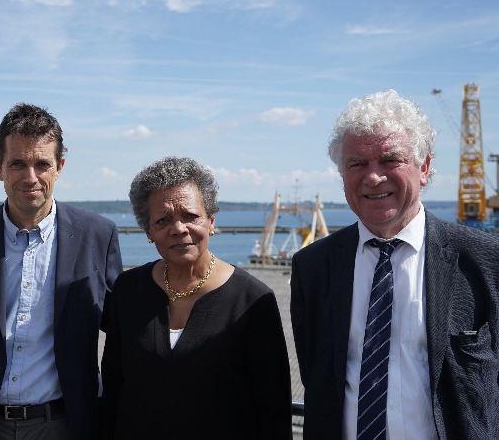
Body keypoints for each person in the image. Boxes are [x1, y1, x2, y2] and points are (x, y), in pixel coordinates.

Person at [291, 89, 499, 439]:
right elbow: (317, 375)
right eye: (357, 163)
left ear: (425, 167)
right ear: (342, 174)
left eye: (390, 160)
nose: (373, 177)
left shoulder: (485, 260)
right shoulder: (313, 267)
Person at [0, 103, 122, 440]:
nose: (30, 177)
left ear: (60, 167)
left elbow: (121, 330)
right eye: (18, 164)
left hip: (64, 424)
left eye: (42, 164)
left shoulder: (98, 235)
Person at [100, 156, 292, 439]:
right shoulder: (128, 290)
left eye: (190, 216)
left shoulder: (252, 300)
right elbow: (113, 389)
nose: (178, 228)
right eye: (163, 220)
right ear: (149, 232)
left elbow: (273, 409)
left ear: (211, 221)